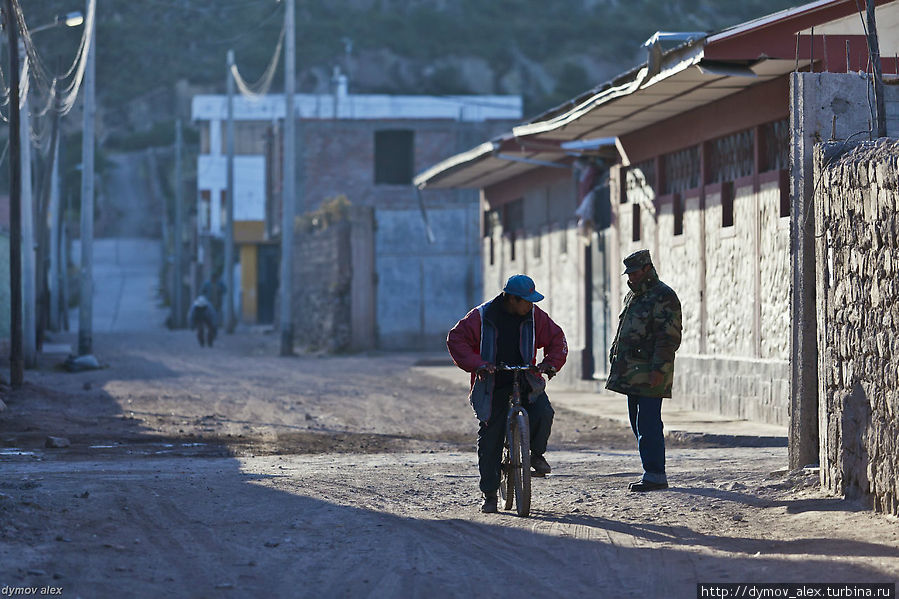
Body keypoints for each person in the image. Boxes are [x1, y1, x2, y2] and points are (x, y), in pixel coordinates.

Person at [447, 274, 568, 513]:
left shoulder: (536, 317)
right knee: (490, 434)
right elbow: (456, 340)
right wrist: (478, 363)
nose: (531, 305)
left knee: (544, 411)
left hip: (525, 376)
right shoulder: (481, 317)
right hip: (492, 382)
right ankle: (490, 494)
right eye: (526, 301)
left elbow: (557, 339)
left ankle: (535, 454)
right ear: (511, 299)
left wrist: (550, 363)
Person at [606, 249, 682, 492]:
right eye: (629, 273)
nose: (632, 277)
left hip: (650, 372)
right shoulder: (634, 296)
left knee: (648, 423)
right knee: (637, 422)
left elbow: (668, 337)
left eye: (636, 272)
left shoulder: (663, 296)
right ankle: (650, 470)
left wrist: (659, 369)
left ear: (647, 269)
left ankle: (655, 474)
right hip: (631, 372)